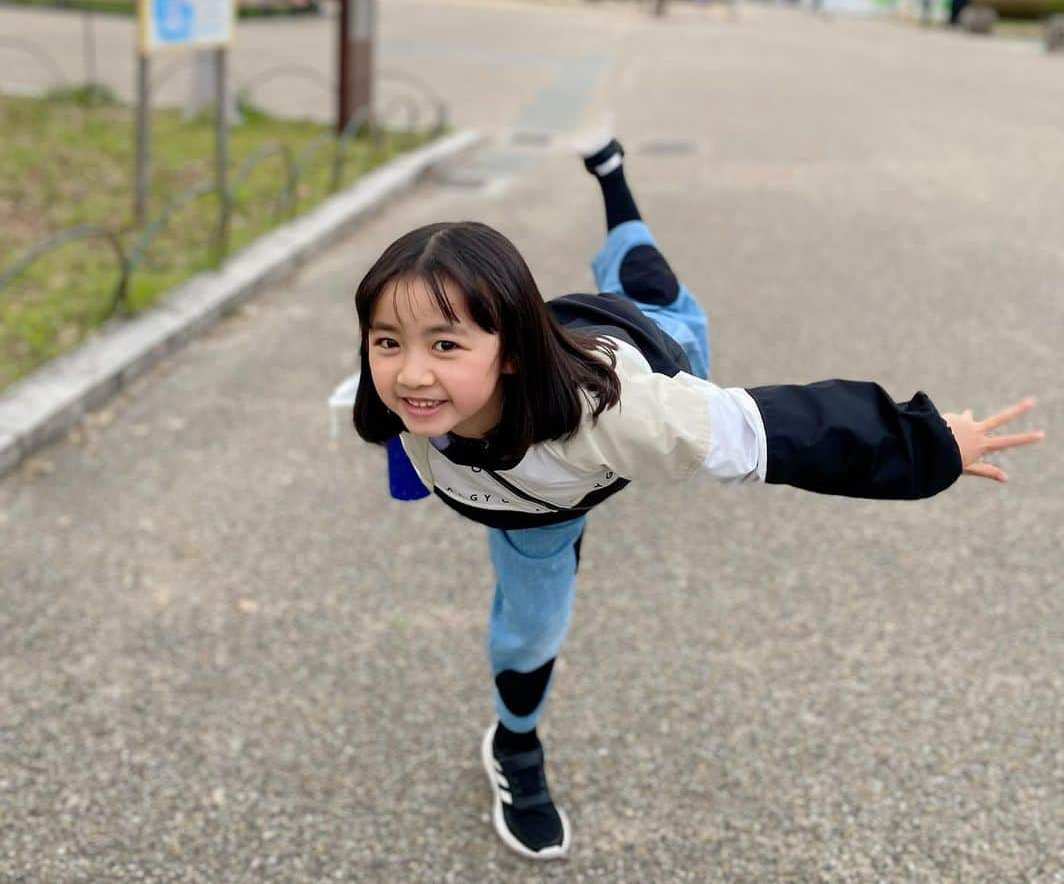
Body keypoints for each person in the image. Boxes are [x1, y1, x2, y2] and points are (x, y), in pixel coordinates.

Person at [350, 134, 1045, 862]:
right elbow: (406, 401)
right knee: (529, 627)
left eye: (446, 345)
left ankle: (612, 169)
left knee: (641, 265)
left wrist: (926, 442)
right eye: (387, 341)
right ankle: (515, 740)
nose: (411, 373)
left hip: (653, 343)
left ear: (510, 350)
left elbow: (766, 430)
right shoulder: (398, 394)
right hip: (539, 484)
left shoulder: (620, 414)